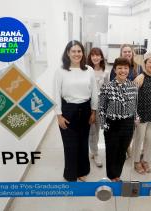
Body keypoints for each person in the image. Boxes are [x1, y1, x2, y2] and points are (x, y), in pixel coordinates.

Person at [54, 40, 97, 181]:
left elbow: (94, 92)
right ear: (68, 53)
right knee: (70, 144)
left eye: (79, 51)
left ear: (83, 53)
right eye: (73, 51)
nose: (76, 54)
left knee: (83, 142)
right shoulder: (61, 71)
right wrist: (59, 115)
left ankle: (82, 170)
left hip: (85, 108)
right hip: (68, 109)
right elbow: (56, 93)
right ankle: (70, 173)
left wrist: (93, 111)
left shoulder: (89, 70)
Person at [99, 57, 138, 181]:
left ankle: (117, 175)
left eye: (125, 68)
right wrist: (104, 125)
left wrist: (135, 118)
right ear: (115, 70)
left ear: (129, 70)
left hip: (128, 124)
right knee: (111, 151)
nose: (123, 70)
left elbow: (135, 105)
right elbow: (101, 108)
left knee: (122, 151)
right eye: (120, 68)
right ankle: (111, 175)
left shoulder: (133, 86)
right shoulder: (107, 87)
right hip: (112, 124)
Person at [132, 51, 151, 174]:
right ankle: (136, 161)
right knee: (138, 140)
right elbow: (132, 99)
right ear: (145, 63)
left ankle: (145, 160)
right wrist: (134, 116)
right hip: (141, 116)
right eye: (150, 62)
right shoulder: (139, 78)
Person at [110, 44, 142, 158]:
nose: (127, 53)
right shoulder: (117, 66)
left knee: (130, 129)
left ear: (132, 53)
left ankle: (127, 146)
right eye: (125, 52)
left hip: (133, 102)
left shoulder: (137, 67)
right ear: (121, 53)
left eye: (129, 51)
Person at [87, 47, 109, 168]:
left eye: (98, 55)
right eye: (93, 55)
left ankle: (93, 150)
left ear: (101, 57)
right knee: (91, 131)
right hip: (88, 105)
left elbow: (107, 91)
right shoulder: (86, 70)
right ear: (90, 57)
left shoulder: (106, 72)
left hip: (100, 106)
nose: (95, 57)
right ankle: (95, 153)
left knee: (97, 129)